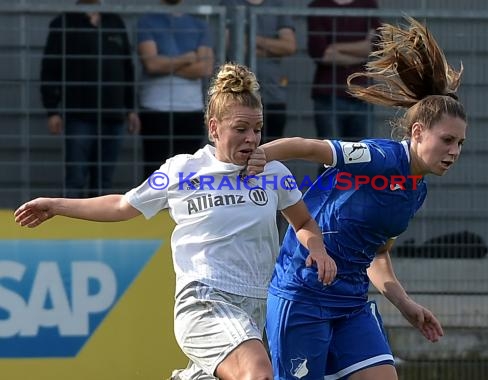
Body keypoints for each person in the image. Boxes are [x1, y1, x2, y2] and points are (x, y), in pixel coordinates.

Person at [15, 63, 337, 380]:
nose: (252, 138)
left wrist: (318, 249)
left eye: (257, 129)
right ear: (214, 128)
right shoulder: (182, 170)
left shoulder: (274, 174)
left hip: (258, 306)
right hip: (204, 299)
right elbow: (121, 205)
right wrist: (56, 205)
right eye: (241, 129)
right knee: (258, 373)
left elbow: (304, 222)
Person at [247, 17, 465, 379]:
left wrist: (405, 304)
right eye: (447, 140)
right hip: (303, 297)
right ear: (417, 132)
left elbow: (377, 254)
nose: (454, 151)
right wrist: (261, 156)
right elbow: (310, 148)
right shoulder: (379, 158)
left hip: (351, 305)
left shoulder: (416, 191)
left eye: (460, 143)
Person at [40, 0, 140, 198]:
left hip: (113, 115)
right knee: (75, 180)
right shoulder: (64, 23)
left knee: (103, 182)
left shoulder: (115, 22)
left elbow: (127, 68)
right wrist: (52, 110)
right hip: (79, 115)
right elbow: (49, 70)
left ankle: (99, 228)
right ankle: (72, 228)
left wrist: (130, 109)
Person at [137, 0, 215, 179]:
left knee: (188, 175)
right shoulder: (147, 21)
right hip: (155, 108)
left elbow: (205, 68)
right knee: (155, 176)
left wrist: (167, 63)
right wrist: (188, 58)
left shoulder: (200, 25)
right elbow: (152, 64)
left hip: (191, 109)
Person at [220, 0, 296, 142]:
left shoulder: (277, 5)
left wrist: (251, 39)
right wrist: (272, 48)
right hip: (238, 96)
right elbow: (232, 48)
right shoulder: (230, 4)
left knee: (271, 154)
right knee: (240, 152)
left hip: (273, 95)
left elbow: (288, 46)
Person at [307, 0, 381, 141]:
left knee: (363, 155)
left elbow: (376, 47)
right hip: (328, 94)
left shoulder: (368, 5)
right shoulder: (318, 6)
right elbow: (321, 53)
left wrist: (335, 47)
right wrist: (361, 54)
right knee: (330, 155)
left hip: (362, 93)